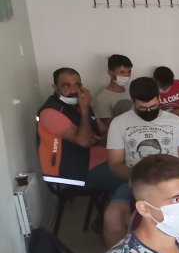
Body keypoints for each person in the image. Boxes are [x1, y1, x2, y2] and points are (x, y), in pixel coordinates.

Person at [103, 77, 179, 249]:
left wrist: (167, 175)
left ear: (159, 98)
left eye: (153, 107)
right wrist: (142, 175)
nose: (148, 111)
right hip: (137, 182)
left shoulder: (176, 122)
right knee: (112, 216)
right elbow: (114, 165)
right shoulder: (119, 123)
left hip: (175, 181)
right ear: (133, 101)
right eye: (143, 108)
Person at [37, 68, 125, 199]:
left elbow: (108, 132)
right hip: (73, 173)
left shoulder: (81, 104)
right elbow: (84, 141)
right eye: (66, 85)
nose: (73, 90)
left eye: (77, 85)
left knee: (141, 168)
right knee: (135, 183)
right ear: (55, 87)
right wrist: (84, 110)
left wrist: (97, 139)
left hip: (100, 159)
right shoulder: (50, 112)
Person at [94, 54, 134, 128]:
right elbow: (108, 127)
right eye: (121, 72)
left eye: (129, 71)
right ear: (111, 73)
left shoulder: (132, 92)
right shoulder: (102, 98)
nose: (126, 75)